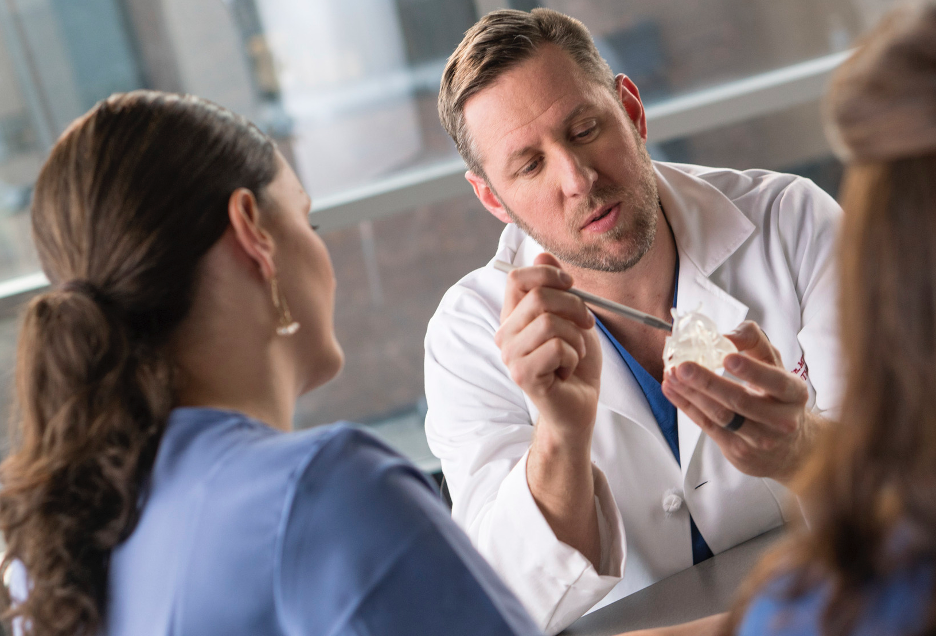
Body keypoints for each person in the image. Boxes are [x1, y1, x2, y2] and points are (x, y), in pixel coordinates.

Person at [0, 91, 543, 636]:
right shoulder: (327, 490)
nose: (323, 259)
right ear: (252, 231)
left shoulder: (53, 556)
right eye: (309, 222)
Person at [424, 8, 843, 633]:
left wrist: (800, 448)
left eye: (586, 128)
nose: (578, 178)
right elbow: (504, 602)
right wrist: (562, 433)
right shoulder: (468, 335)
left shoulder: (793, 223)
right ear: (492, 198)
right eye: (529, 165)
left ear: (632, 111)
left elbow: (913, 482)